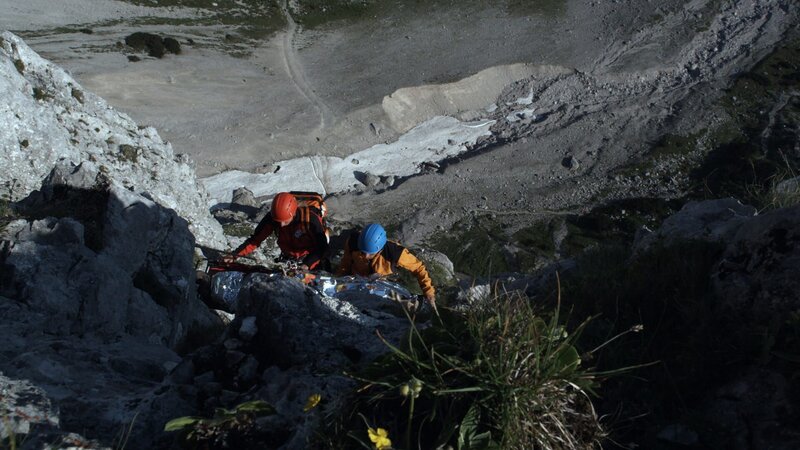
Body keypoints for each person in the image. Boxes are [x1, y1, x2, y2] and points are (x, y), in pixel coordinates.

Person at [223, 192, 329, 270]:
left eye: (285, 221)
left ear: (293, 213)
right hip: (288, 261)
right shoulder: (273, 218)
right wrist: (234, 255)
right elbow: (255, 240)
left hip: (310, 261)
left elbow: (322, 247)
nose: (281, 224)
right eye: (279, 221)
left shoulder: (309, 219)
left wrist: (307, 264)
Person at [337, 223, 436, 305]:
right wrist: (340, 279)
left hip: (384, 287)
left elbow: (418, 268)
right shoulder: (353, 242)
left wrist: (428, 291)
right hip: (357, 282)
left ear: (380, 249)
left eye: (371, 253)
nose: (366, 256)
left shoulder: (395, 253)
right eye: (363, 252)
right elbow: (345, 263)